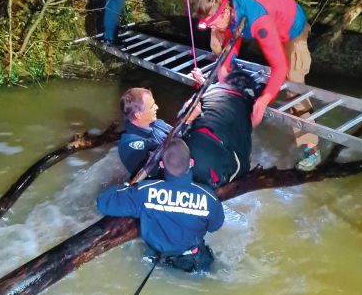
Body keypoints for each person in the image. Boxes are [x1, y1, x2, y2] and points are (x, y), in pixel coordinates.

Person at [196, 0, 320, 171]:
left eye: (212, 23)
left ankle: (310, 148)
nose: (211, 28)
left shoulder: (258, 21)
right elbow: (233, 35)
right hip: (269, 17)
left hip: (291, 27)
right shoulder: (228, 7)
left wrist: (263, 101)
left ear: (224, 14)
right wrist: (225, 66)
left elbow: (279, 68)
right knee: (219, 46)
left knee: (294, 83)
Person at [96, 138, 224, 272]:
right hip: (198, 261)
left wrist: (127, 186)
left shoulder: (145, 191)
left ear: (162, 165)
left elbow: (103, 202)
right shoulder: (208, 197)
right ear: (191, 163)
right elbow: (216, 225)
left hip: (159, 262)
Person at [185, 66, 262, 187]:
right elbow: (244, 154)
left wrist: (200, 78)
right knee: (238, 167)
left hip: (188, 149)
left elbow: (206, 86)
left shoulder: (211, 89)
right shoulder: (244, 105)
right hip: (207, 160)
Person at [118, 87, 172, 177]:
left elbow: (179, 135)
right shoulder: (130, 144)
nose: (157, 107)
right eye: (152, 106)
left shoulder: (158, 123)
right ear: (138, 115)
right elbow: (154, 173)